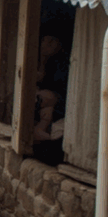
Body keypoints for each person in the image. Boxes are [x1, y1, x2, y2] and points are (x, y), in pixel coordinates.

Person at [33, 34, 69, 165]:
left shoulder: (63, 66)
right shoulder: (49, 114)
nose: (46, 46)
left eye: (51, 42)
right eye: (44, 42)